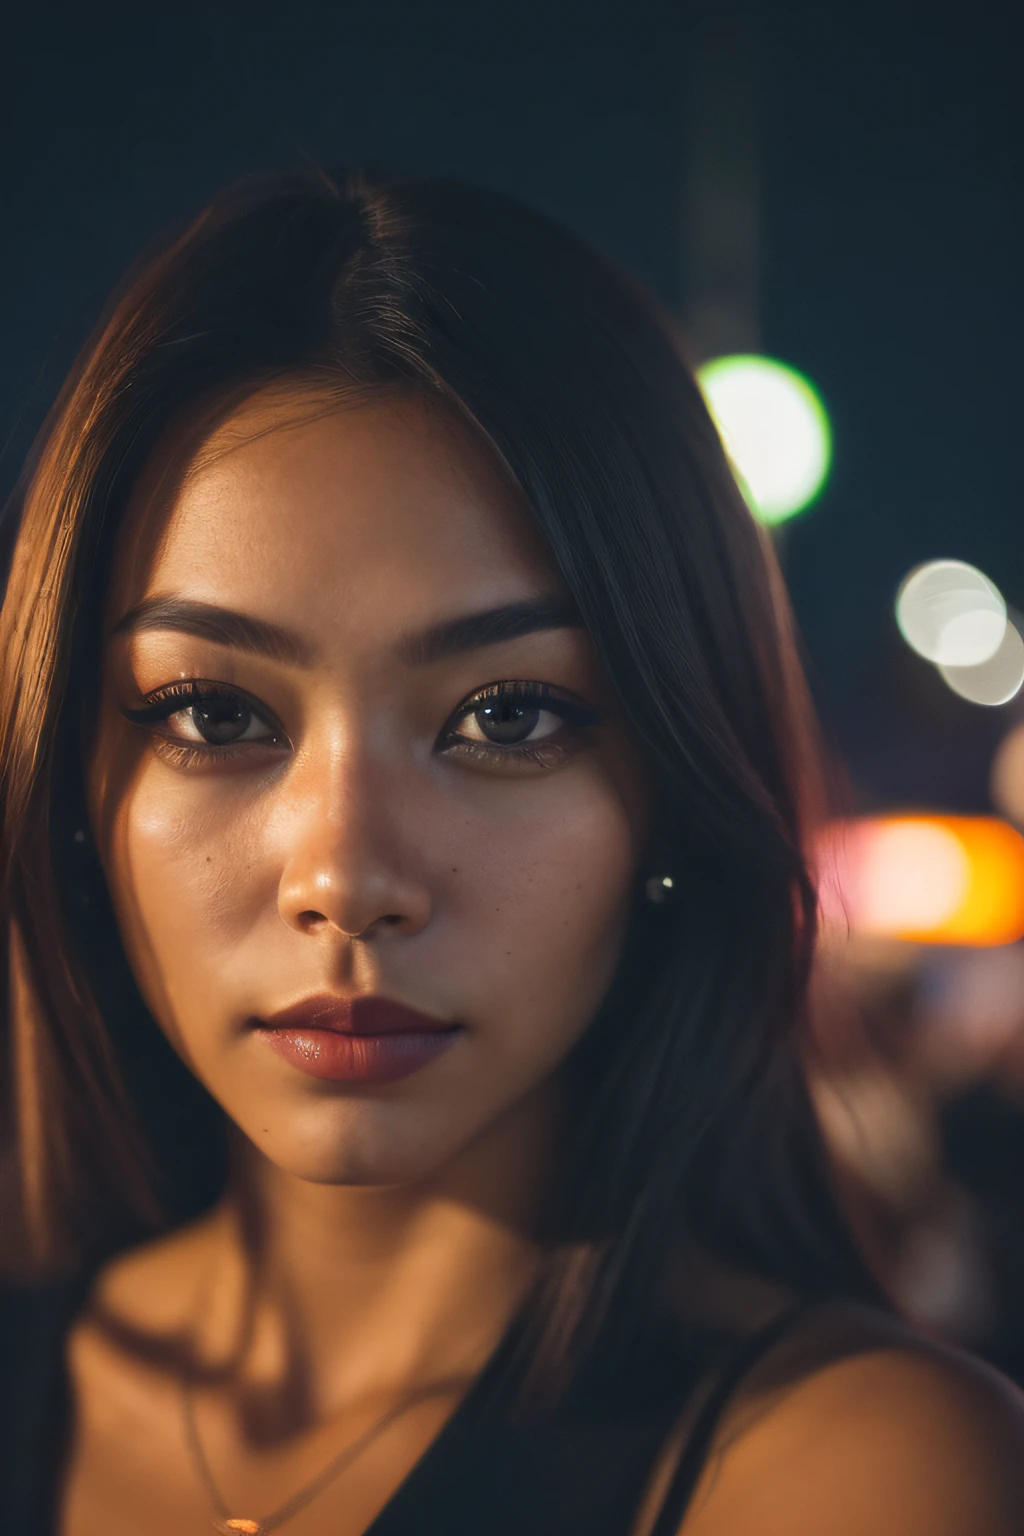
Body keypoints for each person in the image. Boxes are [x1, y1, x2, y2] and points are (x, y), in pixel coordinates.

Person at [1, 169, 1022, 1536]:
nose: (347, 878)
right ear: (74, 773)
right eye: (215, 713)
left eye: (507, 716)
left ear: (670, 784)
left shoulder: (858, 1476)